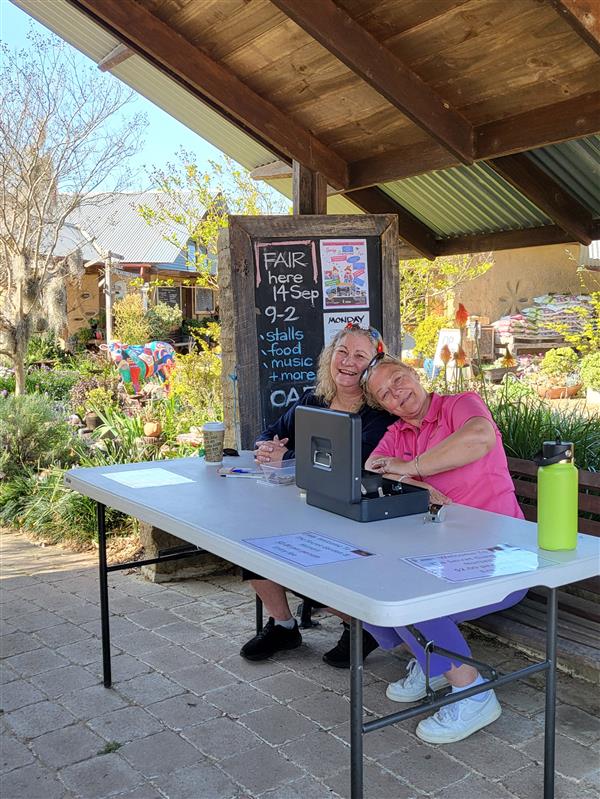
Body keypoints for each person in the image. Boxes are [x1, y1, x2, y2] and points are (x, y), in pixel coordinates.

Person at [361, 353, 525, 744]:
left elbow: (478, 438)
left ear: (414, 374)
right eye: (385, 394)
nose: (397, 394)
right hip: (442, 552)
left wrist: (411, 468)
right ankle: (432, 659)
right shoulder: (398, 432)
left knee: (413, 600)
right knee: (365, 586)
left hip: (505, 553)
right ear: (382, 407)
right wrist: (418, 483)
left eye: (398, 380)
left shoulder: (459, 404)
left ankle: (473, 691)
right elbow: (373, 468)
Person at [240, 325, 396, 666]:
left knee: (308, 567)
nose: (348, 361)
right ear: (330, 357)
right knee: (247, 545)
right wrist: (267, 447)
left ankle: (361, 625)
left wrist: (290, 460)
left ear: (373, 366)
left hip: (359, 518)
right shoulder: (313, 402)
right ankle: (283, 625)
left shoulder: (378, 417)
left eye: (360, 355)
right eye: (342, 352)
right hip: (307, 509)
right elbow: (270, 433)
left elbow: (356, 463)